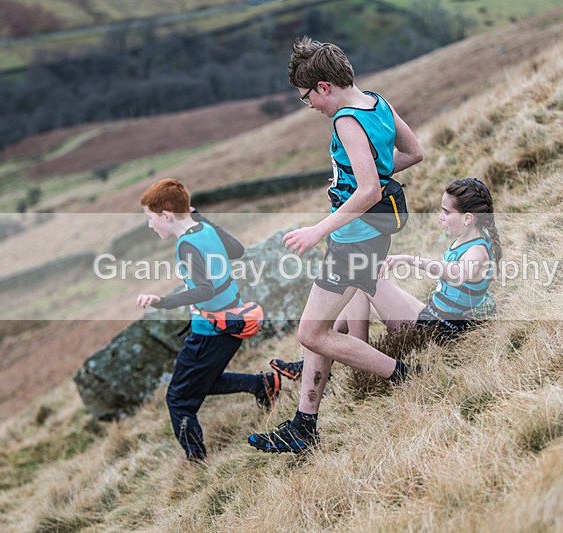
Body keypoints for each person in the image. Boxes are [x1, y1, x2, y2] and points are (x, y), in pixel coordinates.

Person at [247, 37, 423, 453]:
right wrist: (365, 173)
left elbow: (367, 192)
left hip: (353, 240)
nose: (308, 105)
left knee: (311, 334)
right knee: (320, 328)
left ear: (324, 86)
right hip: (366, 237)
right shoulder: (378, 102)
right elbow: (413, 153)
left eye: (307, 96)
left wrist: (317, 230)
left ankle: (405, 374)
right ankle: (304, 425)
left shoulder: (345, 119)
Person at [269, 178, 502, 381]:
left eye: (446, 212)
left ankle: (355, 358)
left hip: (441, 332)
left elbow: (458, 274)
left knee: (360, 281)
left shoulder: (477, 251)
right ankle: (324, 352)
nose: (440, 217)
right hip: (436, 314)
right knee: (361, 280)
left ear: (469, 218)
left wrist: (409, 259)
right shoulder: (473, 237)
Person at [136, 178, 281, 463]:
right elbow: (237, 250)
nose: (150, 225)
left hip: (211, 332)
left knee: (178, 399)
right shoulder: (204, 228)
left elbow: (205, 290)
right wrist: (201, 217)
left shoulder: (186, 245)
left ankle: (197, 460)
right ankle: (262, 384)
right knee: (201, 381)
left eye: (151, 218)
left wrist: (162, 301)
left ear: (165, 215)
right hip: (231, 322)